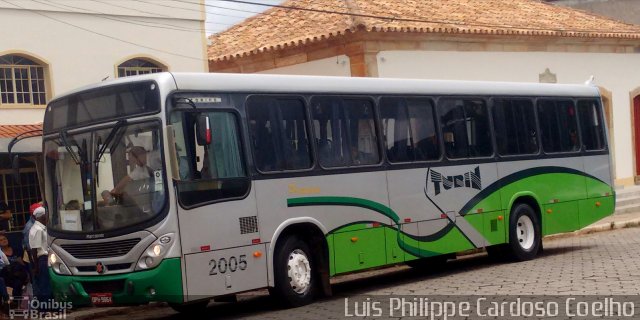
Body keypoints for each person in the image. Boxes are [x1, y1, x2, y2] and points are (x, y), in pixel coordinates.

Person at [29, 207, 50, 303]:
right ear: (43, 216)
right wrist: (36, 266)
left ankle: (51, 306)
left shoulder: (42, 227)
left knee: (47, 283)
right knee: (44, 283)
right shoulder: (38, 229)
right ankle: (45, 308)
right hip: (42, 259)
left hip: (46, 258)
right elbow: (34, 249)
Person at [0, 234, 28, 299]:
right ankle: (15, 300)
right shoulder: (1, 253)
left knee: (18, 279)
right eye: (1, 240)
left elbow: (21, 262)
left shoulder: (15, 249)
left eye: (4, 239)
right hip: (7, 275)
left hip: (18, 274)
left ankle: (16, 300)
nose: (3, 241)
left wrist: (27, 273)